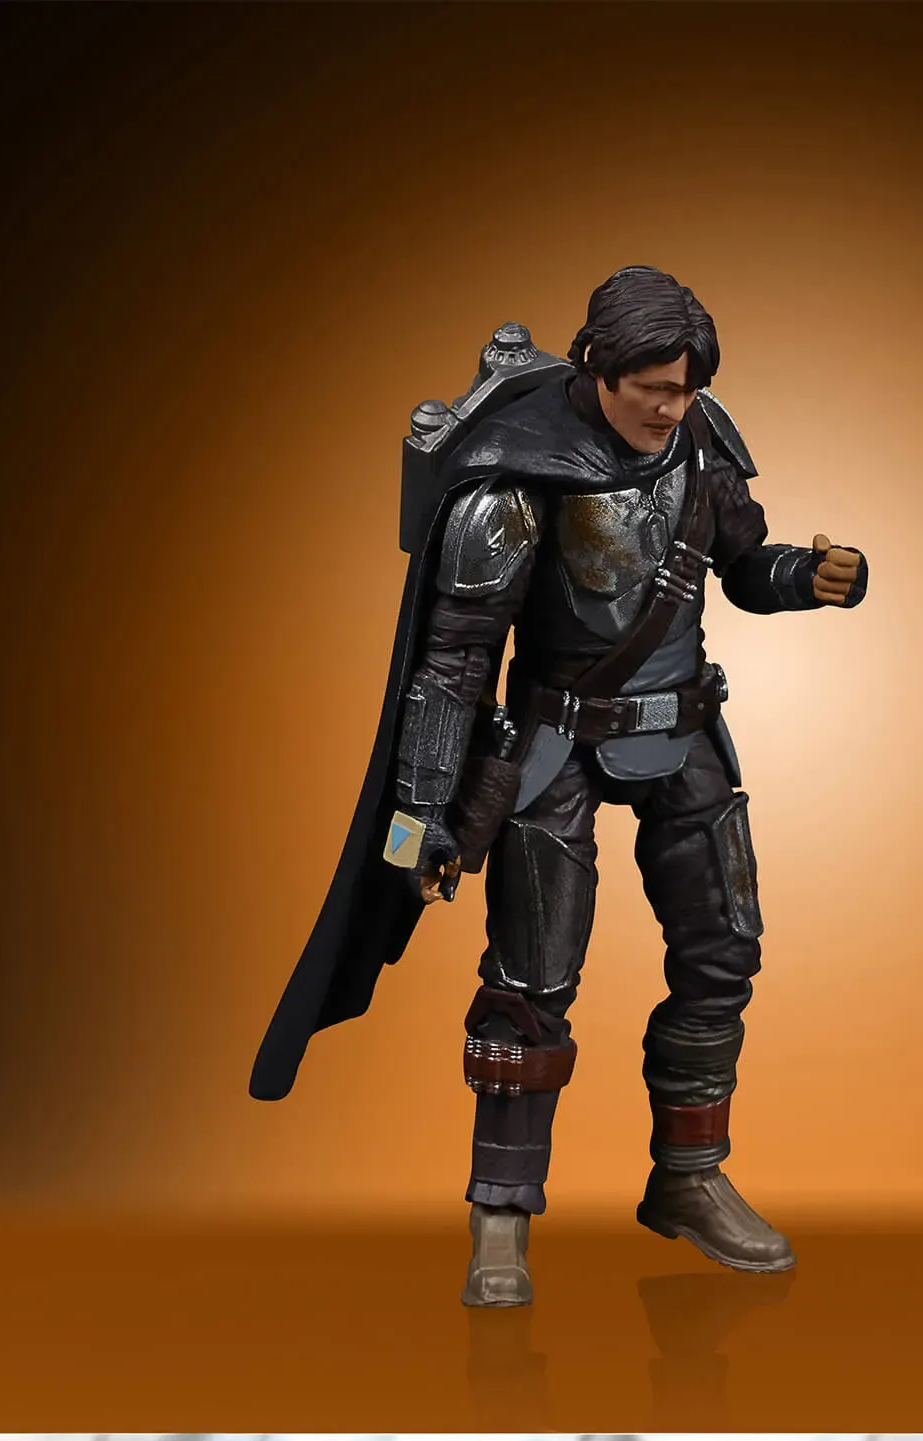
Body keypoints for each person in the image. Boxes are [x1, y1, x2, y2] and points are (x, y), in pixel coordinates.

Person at [251, 266, 867, 1306]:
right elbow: (454, 663)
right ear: (597, 368)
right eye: (653, 390)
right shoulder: (514, 482)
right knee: (529, 982)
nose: (671, 408)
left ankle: (690, 1178)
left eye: (686, 389)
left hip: (683, 730)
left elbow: (743, 564)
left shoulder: (699, 442)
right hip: (553, 744)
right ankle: (501, 1213)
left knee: (724, 952)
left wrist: (807, 579)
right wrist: (421, 812)